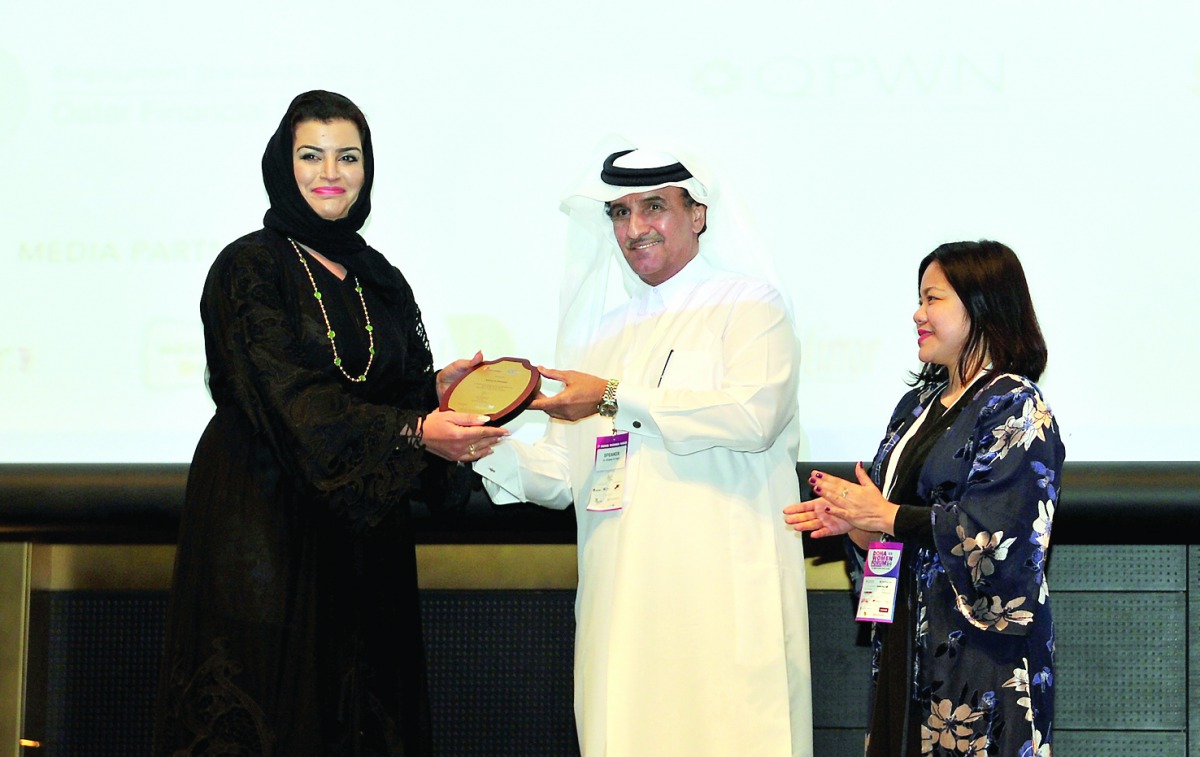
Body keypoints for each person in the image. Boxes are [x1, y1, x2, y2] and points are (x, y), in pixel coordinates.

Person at [153, 90, 507, 756]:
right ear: (283, 165)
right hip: (264, 524)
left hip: (361, 536)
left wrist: (434, 395)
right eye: (311, 155)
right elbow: (290, 398)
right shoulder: (248, 266)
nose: (331, 172)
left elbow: (386, 389)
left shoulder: (380, 278)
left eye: (348, 156)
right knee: (271, 711)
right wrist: (412, 428)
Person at [456, 145, 813, 755]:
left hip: (720, 598)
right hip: (624, 606)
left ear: (697, 214)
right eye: (619, 214)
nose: (634, 228)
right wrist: (480, 440)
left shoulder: (751, 306)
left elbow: (753, 416)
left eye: (653, 208)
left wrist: (616, 397)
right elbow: (563, 474)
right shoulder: (600, 335)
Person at [785, 240, 1064, 756]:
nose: (918, 313)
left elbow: (1000, 537)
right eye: (920, 299)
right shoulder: (915, 406)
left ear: (981, 305)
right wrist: (861, 526)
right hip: (905, 640)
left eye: (933, 299)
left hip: (982, 653)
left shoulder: (1017, 407)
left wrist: (888, 515)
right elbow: (893, 526)